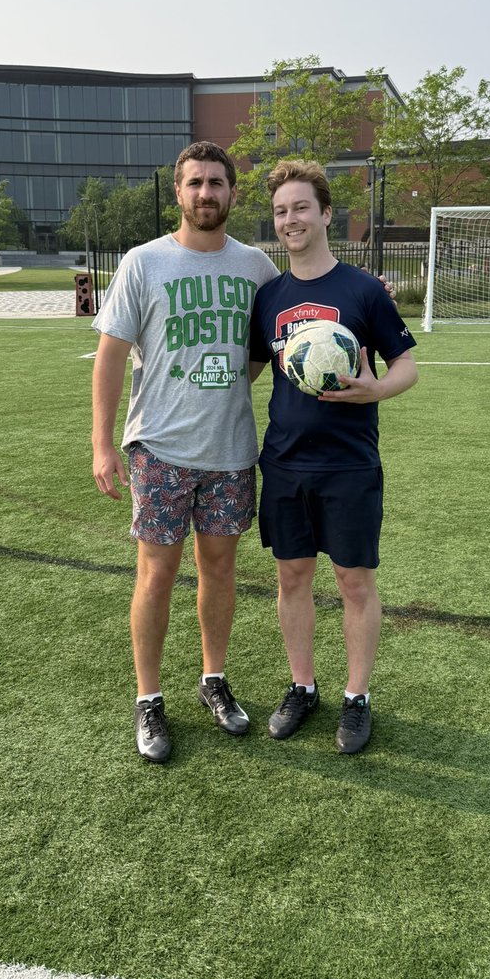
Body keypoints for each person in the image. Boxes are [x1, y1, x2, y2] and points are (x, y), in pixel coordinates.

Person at [91, 140, 279, 763]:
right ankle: (149, 698)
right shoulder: (144, 263)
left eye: (217, 183)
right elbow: (112, 355)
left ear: (232, 193)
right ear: (178, 192)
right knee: (158, 573)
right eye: (195, 182)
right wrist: (102, 443)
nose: (206, 193)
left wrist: (226, 386)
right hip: (161, 449)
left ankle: (213, 680)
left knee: (221, 569)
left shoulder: (255, 267)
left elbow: (269, 342)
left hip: (229, 449)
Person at [249, 160, 419, 755]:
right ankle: (302, 686)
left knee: (353, 581)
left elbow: (406, 365)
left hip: (349, 464)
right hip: (285, 463)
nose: (290, 219)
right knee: (291, 576)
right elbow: (249, 373)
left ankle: (356, 696)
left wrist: (378, 390)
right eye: (280, 211)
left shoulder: (363, 289)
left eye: (300, 208)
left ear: (325, 214)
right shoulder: (268, 297)